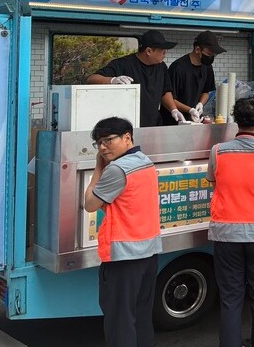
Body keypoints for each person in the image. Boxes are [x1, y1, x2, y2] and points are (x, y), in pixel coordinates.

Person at [207, 97, 254, 347]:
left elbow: (214, 181)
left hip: (226, 233)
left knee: (230, 299)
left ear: (236, 122)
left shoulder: (218, 151)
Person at [83, 117, 162, 347]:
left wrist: (98, 168)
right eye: (99, 143)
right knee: (141, 317)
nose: (102, 147)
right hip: (148, 253)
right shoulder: (145, 161)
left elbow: (90, 204)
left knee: (120, 321)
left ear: (127, 137)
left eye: (108, 140)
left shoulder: (117, 170)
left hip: (123, 258)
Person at [87, 30, 184, 127]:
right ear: (149, 51)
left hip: (154, 123)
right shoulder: (123, 64)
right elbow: (92, 79)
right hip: (129, 125)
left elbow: (165, 91)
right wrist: (112, 80)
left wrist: (173, 109)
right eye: (163, 51)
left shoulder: (161, 67)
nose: (165, 54)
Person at [163, 30, 225, 124]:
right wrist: (190, 110)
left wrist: (200, 104)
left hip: (194, 120)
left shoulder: (207, 67)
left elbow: (206, 91)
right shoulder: (178, 68)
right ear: (197, 50)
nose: (211, 57)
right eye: (209, 54)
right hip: (174, 119)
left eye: (213, 55)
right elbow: (170, 99)